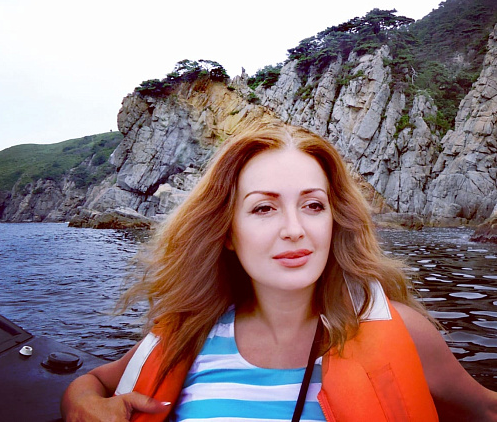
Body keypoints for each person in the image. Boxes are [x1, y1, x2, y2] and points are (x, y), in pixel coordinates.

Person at [61, 122, 497, 422]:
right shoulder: (189, 334)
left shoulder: (404, 331)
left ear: (334, 220)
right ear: (227, 232)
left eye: (313, 205)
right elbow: (94, 382)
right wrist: (79, 400)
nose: (294, 229)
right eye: (264, 208)